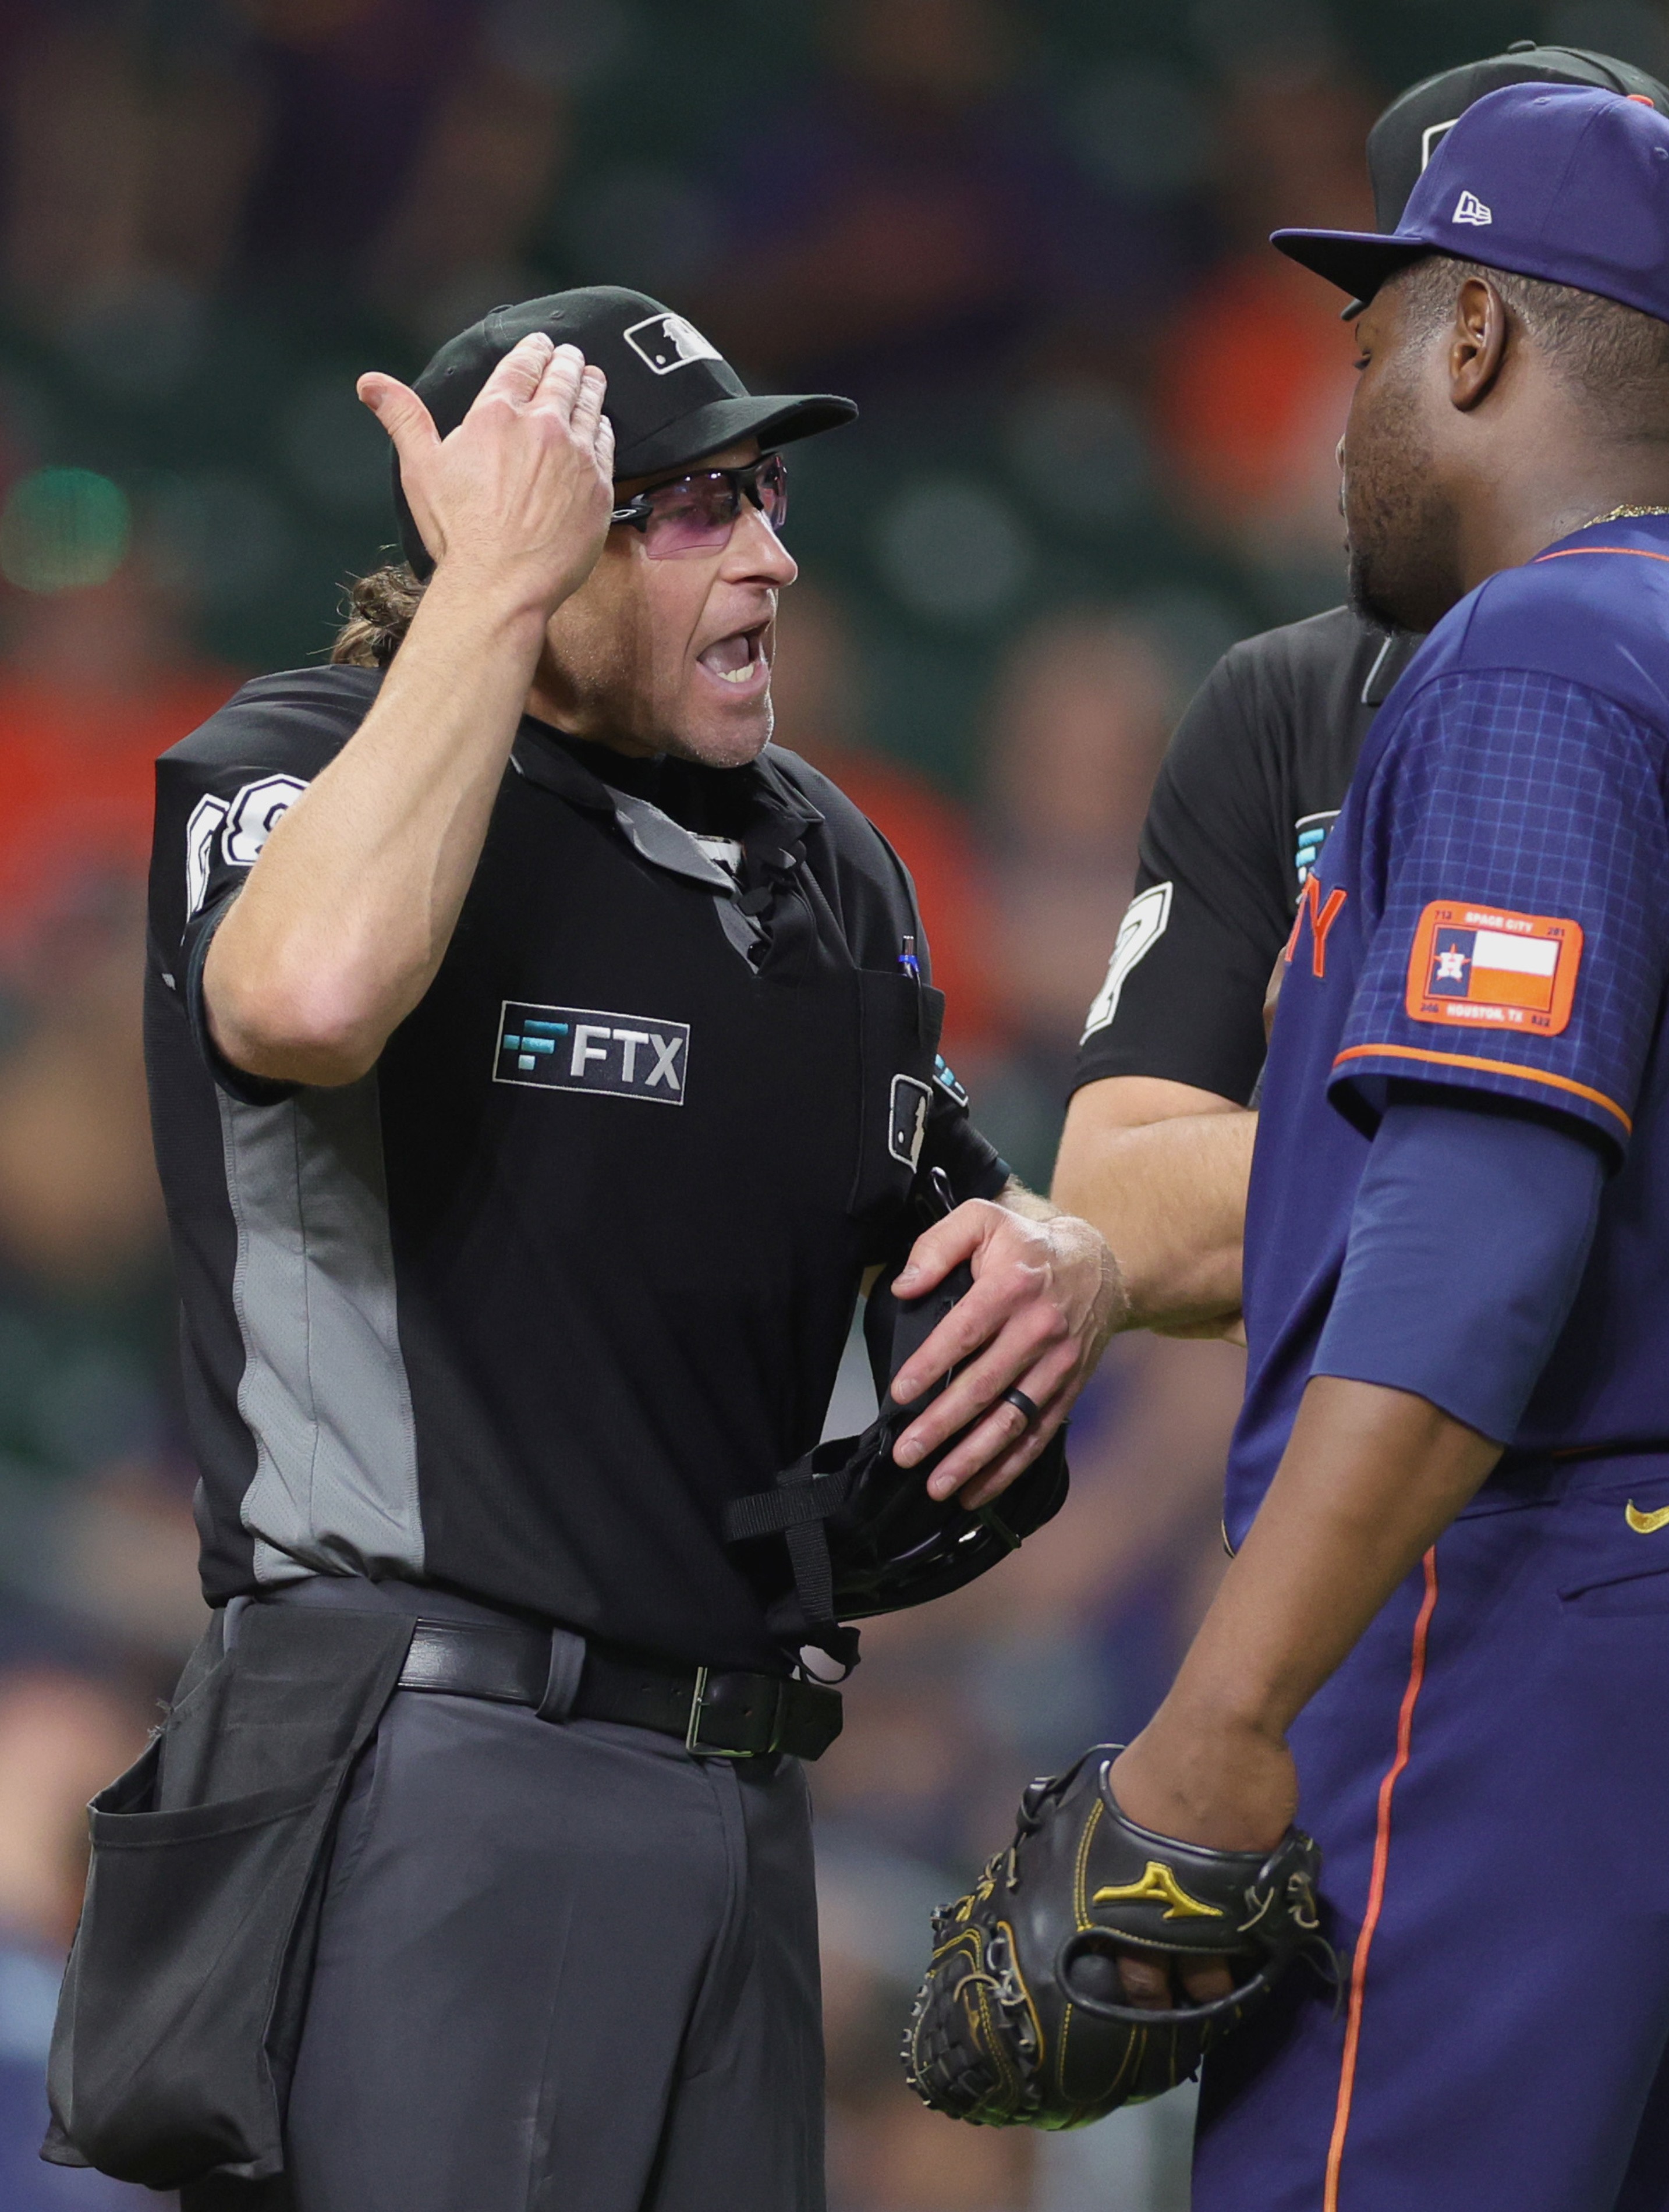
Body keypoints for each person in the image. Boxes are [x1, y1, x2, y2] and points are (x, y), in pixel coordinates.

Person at [1058, 48, 1669, 2212]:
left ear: (1483, 334)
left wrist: (1226, 1707)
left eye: (1377, 339)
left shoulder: (1542, 659)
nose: (1350, 407)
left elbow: (1477, 1247)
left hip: (1566, 1591)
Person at [61, 286, 1121, 2212]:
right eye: (694, 508)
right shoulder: (303, 757)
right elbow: (303, 997)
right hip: (430, 1758)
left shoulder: (820, 855)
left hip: (742, 1785)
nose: (776, 556)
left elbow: (954, 1189)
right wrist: (489, 592)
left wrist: (1060, 1254)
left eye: (769, 496)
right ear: (525, 543)